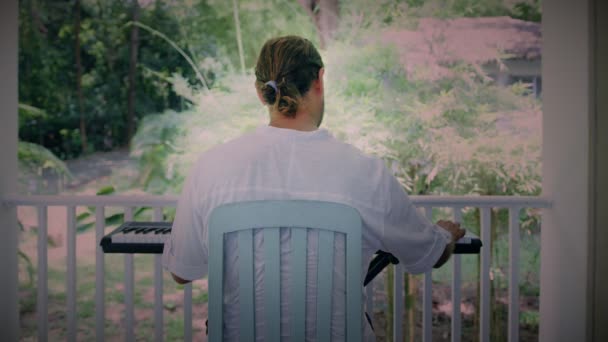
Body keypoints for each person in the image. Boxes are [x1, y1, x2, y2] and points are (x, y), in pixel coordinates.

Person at [162, 35, 465, 341]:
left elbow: (182, 271)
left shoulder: (210, 167)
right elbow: (427, 253)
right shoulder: (364, 172)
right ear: (319, 79)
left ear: (260, 91)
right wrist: (445, 235)